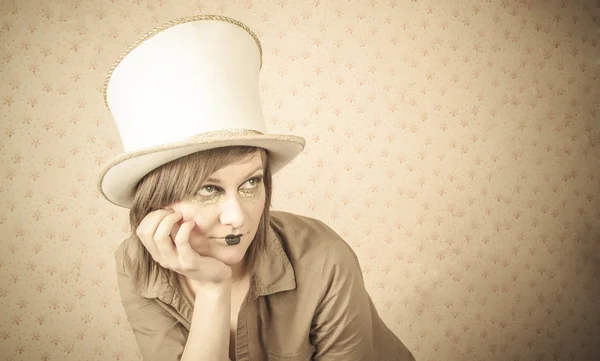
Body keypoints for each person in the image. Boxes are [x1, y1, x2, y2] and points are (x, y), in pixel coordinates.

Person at [98, 14, 416, 361]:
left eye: (251, 183)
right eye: (208, 190)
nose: (237, 218)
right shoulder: (135, 264)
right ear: (156, 202)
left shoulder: (323, 256)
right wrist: (213, 289)